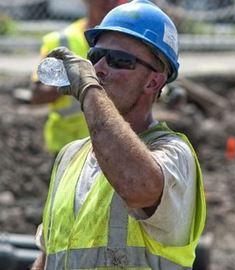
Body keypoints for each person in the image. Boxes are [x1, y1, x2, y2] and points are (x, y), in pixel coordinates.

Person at [31, 0, 206, 269]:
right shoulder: (69, 156)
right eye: (96, 56)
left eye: (118, 60)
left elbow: (138, 188)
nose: (99, 68)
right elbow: (47, 256)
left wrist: (90, 89)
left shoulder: (174, 153)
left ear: (154, 81)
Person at [30, 0, 126, 155]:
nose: (108, 1)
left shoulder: (130, 44)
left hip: (114, 145)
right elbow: (37, 94)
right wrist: (73, 79)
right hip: (67, 148)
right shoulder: (61, 40)